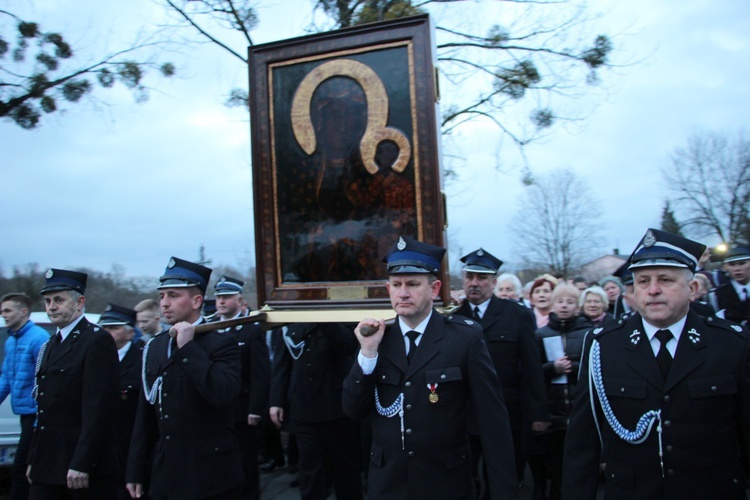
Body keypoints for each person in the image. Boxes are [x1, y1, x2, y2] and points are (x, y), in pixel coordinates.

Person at [562, 228, 750, 499]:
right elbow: (583, 441)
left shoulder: (731, 344)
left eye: (665, 279)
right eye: (642, 281)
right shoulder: (604, 345)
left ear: (693, 288)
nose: (653, 290)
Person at [342, 236, 518, 499]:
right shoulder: (377, 338)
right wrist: (368, 353)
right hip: (388, 484)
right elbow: (353, 409)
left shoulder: (464, 339)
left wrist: (504, 492)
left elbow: (493, 423)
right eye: (396, 284)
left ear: (434, 289)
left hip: (444, 483)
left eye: (412, 284)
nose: (403, 293)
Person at [126, 257, 243, 499]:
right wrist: (135, 470)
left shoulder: (221, 342)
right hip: (165, 474)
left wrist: (188, 348)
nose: (164, 303)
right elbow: (146, 414)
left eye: (173, 295)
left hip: (209, 474)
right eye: (161, 296)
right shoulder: (155, 346)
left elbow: (223, 394)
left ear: (196, 300)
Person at [455, 248, 549, 497]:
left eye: (482, 278)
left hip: (507, 412)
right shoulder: (451, 315)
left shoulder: (517, 315)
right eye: (469, 277)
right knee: (463, 478)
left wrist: (538, 414)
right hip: (461, 412)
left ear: (494, 282)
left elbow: (531, 368)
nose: (474, 283)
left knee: (503, 479)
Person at [28, 269, 120, 499]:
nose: (51, 307)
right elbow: (44, 411)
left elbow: (98, 409)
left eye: (59, 300)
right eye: (48, 301)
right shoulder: (51, 344)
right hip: (47, 461)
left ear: (80, 303)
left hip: (78, 466)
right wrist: (33, 458)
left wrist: (83, 462)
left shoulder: (96, 341)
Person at [269, 321, 363, 500]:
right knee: (310, 471)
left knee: (345, 470)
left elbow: (347, 346)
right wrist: (276, 401)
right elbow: (282, 364)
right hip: (303, 406)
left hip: (336, 406)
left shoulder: (340, 316)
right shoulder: (289, 319)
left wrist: (323, 316)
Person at [213, 275, 270, 500]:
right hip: (220, 409)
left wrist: (255, 409)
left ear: (239, 299)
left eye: (226, 297)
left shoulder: (250, 330)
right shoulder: (213, 328)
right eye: (218, 298)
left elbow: (260, 374)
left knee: (246, 459)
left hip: (243, 408)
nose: (221, 302)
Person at [532, 284, 585, 500]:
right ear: (552, 305)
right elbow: (533, 371)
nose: (564, 306)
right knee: (555, 465)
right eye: (560, 302)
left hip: (579, 408)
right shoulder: (541, 334)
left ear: (578, 307)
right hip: (553, 410)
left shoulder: (587, 333)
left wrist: (574, 366)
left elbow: (596, 366)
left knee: (579, 465)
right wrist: (552, 368)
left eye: (570, 302)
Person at [0, 293, 51, 500]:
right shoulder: (11, 341)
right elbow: (7, 377)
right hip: (23, 413)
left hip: (36, 416)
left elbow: (46, 380)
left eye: (7, 310)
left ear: (23, 312)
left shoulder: (38, 338)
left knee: (22, 469)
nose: (3, 315)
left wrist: (40, 415)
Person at [99, 303, 144, 500]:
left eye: (113, 328)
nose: (107, 333)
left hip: (128, 446)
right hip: (100, 447)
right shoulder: (94, 358)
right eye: (104, 328)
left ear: (130, 333)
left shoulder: (142, 360)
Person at [711, 241, 750, 325]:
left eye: (742, 263)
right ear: (725, 267)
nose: (737, 269)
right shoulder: (718, 294)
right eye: (732, 264)